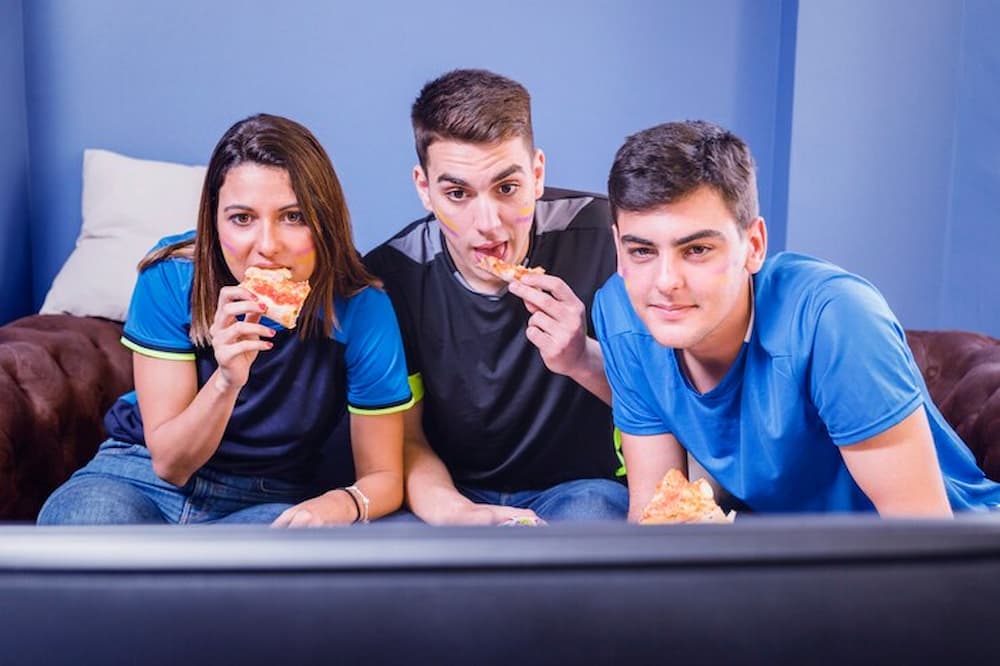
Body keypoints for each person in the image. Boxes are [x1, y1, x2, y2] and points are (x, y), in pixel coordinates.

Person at [593, 119, 1000, 518]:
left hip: (957, 548)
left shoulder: (836, 320)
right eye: (642, 251)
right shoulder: (623, 313)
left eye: (697, 250)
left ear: (754, 246)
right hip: (794, 551)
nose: (665, 282)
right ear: (618, 248)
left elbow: (921, 532)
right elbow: (657, 514)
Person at [38, 114, 413, 526]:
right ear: (214, 222)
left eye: (293, 216)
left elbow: (383, 476)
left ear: (325, 222)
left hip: (265, 496)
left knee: (288, 560)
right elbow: (170, 464)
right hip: (137, 474)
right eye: (242, 218)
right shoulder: (172, 276)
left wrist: (334, 506)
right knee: (84, 526)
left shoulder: (363, 307)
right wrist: (226, 380)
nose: (267, 246)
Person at [364, 69, 627, 524]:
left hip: (581, 486)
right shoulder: (391, 276)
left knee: (590, 519)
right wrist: (456, 514)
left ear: (537, 174)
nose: (487, 223)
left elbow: (664, 408)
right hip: (449, 490)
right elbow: (404, 438)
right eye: (457, 193)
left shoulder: (612, 239)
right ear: (424, 189)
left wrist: (581, 358)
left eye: (507, 188)